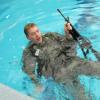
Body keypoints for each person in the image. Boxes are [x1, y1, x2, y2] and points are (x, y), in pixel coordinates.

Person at [22, 22, 100, 99]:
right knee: (82, 97)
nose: (37, 35)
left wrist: (68, 34)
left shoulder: (51, 36)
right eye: (33, 34)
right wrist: (37, 84)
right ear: (28, 37)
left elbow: (68, 45)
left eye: (37, 31)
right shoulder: (29, 51)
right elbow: (29, 71)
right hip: (60, 75)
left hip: (72, 62)